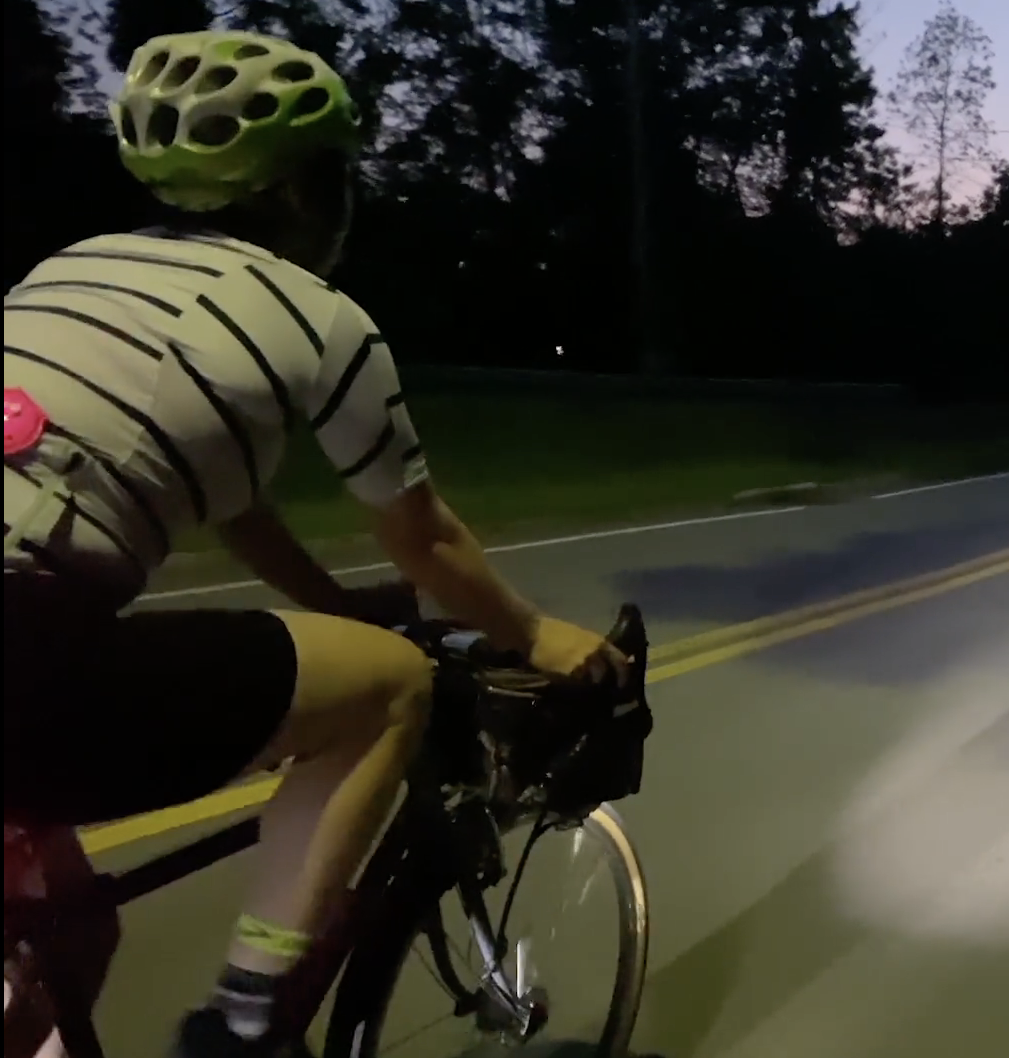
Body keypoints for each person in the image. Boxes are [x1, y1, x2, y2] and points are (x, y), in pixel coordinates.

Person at [2, 29, 631, 1057]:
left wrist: (329, 608)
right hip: (24, 654)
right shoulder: (319, 317)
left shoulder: (74, 273)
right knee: (388, 684)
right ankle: (248, 1019)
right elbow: (427, 540)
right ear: (304, 194)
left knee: (69, 929)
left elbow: (234, 503)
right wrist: (536, 632)